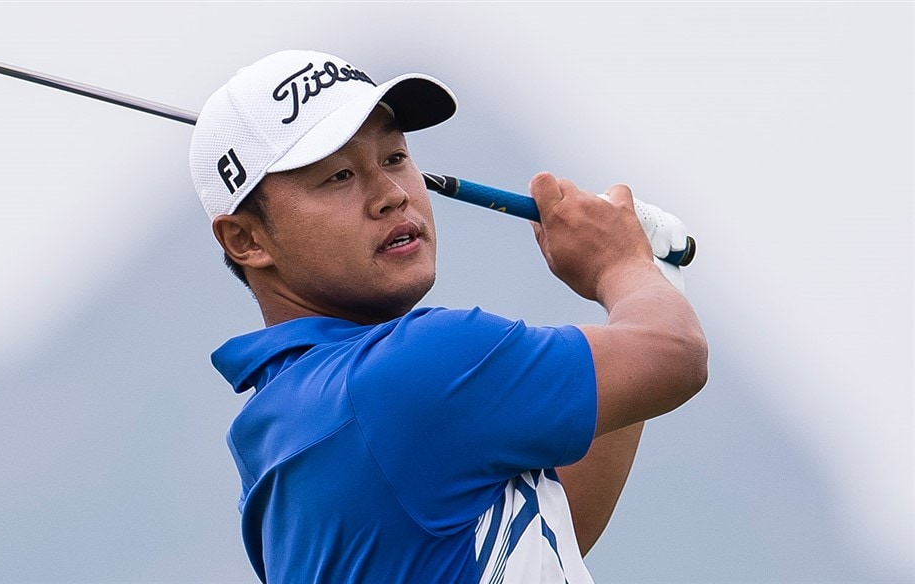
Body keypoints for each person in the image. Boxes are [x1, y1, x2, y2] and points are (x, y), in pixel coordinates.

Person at [189, 50, 707, 583]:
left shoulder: (281, 426)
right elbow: (676, 355)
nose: (391, 195)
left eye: (393, 158)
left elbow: (540, 531)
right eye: (340, 176)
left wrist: (646, 280)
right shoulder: (418, 365)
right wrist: (622, 265)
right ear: (246, 240)